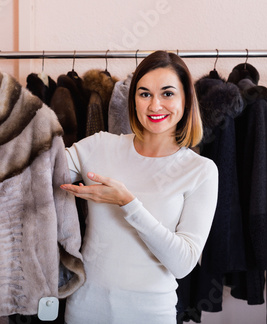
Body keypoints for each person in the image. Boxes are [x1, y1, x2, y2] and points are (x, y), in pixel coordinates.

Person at [61, 50, 219, 324]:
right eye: (144, 94)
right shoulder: (100, 145)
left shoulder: (200, 171)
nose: (155, 105)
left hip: (150, 314)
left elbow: (182, 264)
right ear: (133, 100)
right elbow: (37, 170)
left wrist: (129, 203)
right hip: (85, 309)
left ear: (186, 99)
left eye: (167, 94)